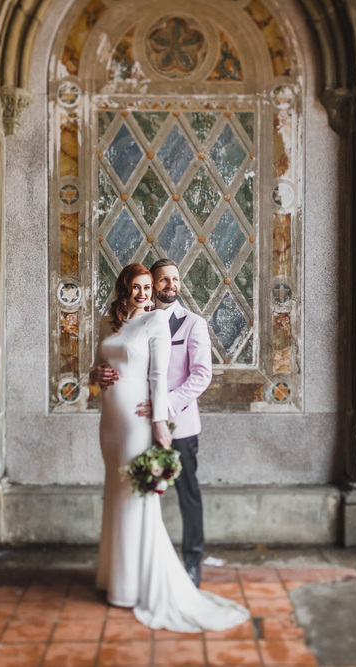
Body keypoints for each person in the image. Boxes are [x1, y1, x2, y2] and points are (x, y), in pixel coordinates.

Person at [92, 263, 248, 632]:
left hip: (174, 419)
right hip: (129, 418)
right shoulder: (123, 321)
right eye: (163, 279)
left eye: (174, 280)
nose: (168, 285)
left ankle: (191, 561)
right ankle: (124, 572)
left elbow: (200, 374)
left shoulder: (191, 323)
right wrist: (96, 376)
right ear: (135, 286)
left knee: (186, 493)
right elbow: (103, 367)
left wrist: (162, 410)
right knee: (138, 495)